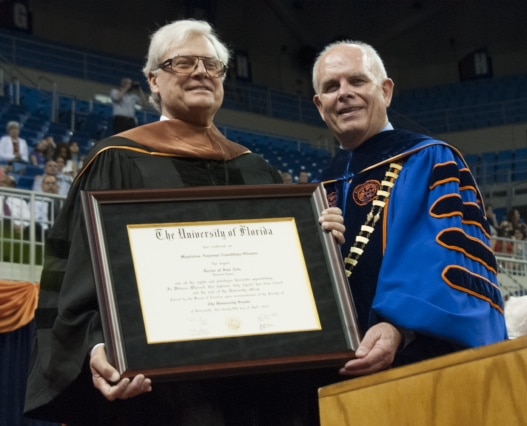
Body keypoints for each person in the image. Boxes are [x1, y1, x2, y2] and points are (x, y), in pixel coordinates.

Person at [25, 19, 345, 426]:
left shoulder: (255, 168)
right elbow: (78, 278)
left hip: (255, 385)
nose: (200, 72)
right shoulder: (116, 160)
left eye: (212, 65)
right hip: (162, 393)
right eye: (183, 63)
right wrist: (97, 346)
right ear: (153, 81)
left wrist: (317, 244)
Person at [312, 40, 507, 375]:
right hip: (337, 368)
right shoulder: (320, 188)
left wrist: (400, 328)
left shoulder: (429, 158)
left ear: (385, 91)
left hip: (420, 362)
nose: (344, 93)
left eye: (357, 81)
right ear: (320, 105)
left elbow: (447, 256)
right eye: (332, 86)